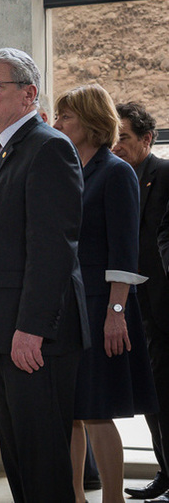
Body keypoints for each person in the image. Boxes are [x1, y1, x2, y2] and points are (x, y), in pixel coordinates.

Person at [0, 47, 89, 503]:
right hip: (0, 331)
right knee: (18, 459)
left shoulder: (48, 147)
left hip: (33, 338)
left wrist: (31, 328)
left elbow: (53, 250)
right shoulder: (5, 148)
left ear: (28, 93)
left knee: (42, 460)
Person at [53, 86, 158, 503]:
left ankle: (111, 499)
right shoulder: (70, 168)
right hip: (69, 305)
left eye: (66, 118)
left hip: (102, 306)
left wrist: (116, 312)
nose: (58, 125)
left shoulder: (116, 172)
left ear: (92, 122)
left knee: (96, 411)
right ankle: (75, 496)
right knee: (74, 413)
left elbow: (124, 250)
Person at [113, 103, 169, 502]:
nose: (116, 145)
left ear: (147, 140)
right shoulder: (113, 179)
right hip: (132, 311)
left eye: (125, 138)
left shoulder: (164, 175)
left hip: (163, 308)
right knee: (152, 400)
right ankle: (165, 472)